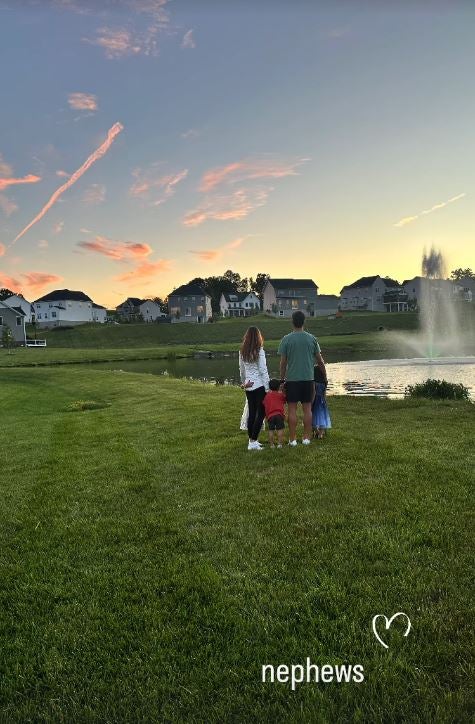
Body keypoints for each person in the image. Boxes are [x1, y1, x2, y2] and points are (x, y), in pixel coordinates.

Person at [278, 310, 327, 446]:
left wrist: (282, 381)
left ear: (292, 322)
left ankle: (292, 440)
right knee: (307, 409)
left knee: (292, 409)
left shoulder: (286, 339)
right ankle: (306, 438)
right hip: (308, 380)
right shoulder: (312, 339)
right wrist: (325, 376)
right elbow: (320, 361)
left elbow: (283, 363)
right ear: (304, 322)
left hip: (292, 380)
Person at [239, 326, 270, 450]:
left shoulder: (242, 351)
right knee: (261, 413)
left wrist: (244, 383)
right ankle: (253, 441)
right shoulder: (259, 350)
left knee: (252, 413)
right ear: (258, 337)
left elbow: (242, 370)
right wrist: (267, 389)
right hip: (259, 386)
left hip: (249, 386)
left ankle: (252, 440)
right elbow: (263, 370)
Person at [263, 379, 286, 448]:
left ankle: (272, 445)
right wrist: (283, 390)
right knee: (280, 429)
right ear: (278, 387)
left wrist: (266, 416)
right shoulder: (280, 395)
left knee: (271, 430)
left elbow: (265, 406)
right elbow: (285, 400)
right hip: (279, 415)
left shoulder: (267, 396)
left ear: (269, 387)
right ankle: (279, 444)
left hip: (270, 416)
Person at [312, 365, 331, 439]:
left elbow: (313, 393)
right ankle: (321, 433)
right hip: (322, 401)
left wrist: (311, 402)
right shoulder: (324, 383)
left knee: (313, 417)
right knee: (322, 417)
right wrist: (325, 402)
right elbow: (324, 394)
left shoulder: (313, 383)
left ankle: (316, 431)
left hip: (315, 400)